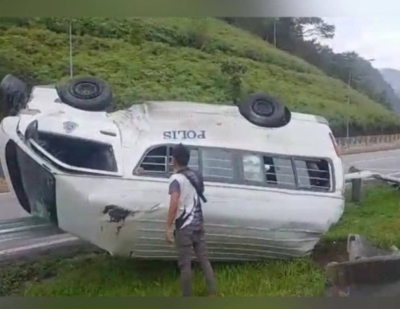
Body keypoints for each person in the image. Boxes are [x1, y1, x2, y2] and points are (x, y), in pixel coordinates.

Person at [165, 143, 217, 297]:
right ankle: (212, 293)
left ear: (174, 159)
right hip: (198, 224)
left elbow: (174, 202)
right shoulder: (197, 175)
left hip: (184, 227)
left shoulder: (175, 179)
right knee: (204, 260)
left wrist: (168, 227)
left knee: (185, 265)